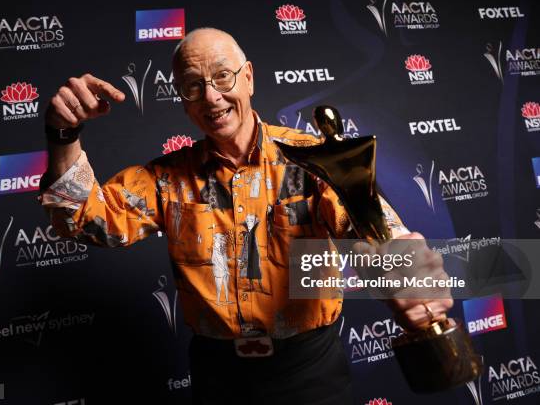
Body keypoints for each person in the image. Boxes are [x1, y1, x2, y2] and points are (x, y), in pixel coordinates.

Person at [39, 27, 453, 404]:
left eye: (223, 77)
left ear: (249, 77)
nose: (212, 97)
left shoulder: (312, 161)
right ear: (183, 101)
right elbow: (85, 221)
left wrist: (403, 273)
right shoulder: (166, 178)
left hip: (310, 374)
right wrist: (63, 135)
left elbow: (370, 234)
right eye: (193, 86)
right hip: (219, 377)